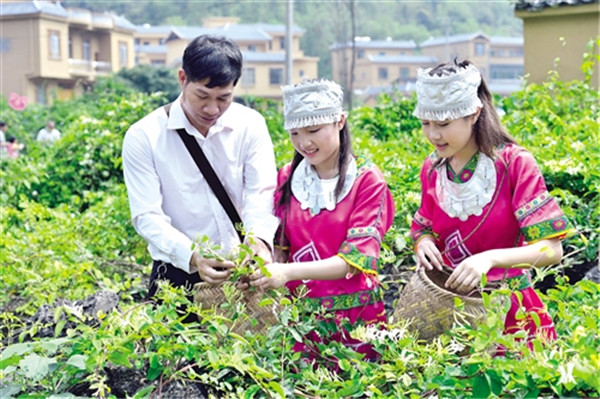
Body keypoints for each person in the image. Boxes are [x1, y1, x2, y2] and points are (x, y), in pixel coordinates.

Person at [410, 60, 575, 350]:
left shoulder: (514, 164)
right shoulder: (432, 168)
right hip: (447, 306)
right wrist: (423, 242)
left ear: (473, 114)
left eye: (444, 124)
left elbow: (551, 250)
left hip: (510, 312)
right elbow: (424, 225)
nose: (433, 135)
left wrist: (489, 259)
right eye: (426, 123)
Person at [122, 34, 279, 307]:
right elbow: (147, 216)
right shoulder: (144, 136)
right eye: (202, 96)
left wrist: (258, 240)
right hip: (177, 275)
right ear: (182, 78)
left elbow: (261, 191)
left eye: (224, 98)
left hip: (241, 274)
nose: (212, 108)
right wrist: (193, 255)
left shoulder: (250, 124)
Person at [248, 78, 395, 365]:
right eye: (295, 133)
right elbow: (282, 246)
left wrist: (286, 273)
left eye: (314, 130)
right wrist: (262, 266)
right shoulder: (287, 177)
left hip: (356, 321)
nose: (304, 142)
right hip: (299, 322)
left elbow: (354, 260)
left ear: (340, 121)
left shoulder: (367, 180)